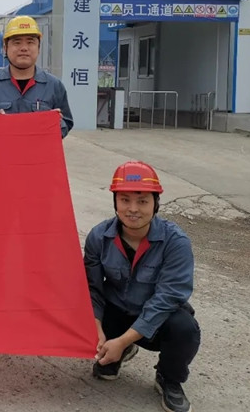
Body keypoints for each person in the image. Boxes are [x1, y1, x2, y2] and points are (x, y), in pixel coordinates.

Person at [84, 161, 201, 412]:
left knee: (184, 329)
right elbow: (92, 288)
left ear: (155, 204)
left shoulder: (175, 242)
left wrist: (122, 339)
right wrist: (96, 330)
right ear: (115, 202)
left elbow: (168, 297)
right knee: (102, 362)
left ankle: (168, 378)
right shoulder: (98, 237)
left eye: (143, 201)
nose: (133, 209)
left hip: (156, 323)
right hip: (116, 312)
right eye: (125, 200)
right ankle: (119, 351)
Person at [0, 15, 72, 137]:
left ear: (38, 48)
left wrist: (57, 123)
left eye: (30, 42)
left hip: (38, 149)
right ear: (5, 48)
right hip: (0, 149)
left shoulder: (54, 85)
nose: (24, 48)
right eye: (17, 42)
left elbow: (67, 122)